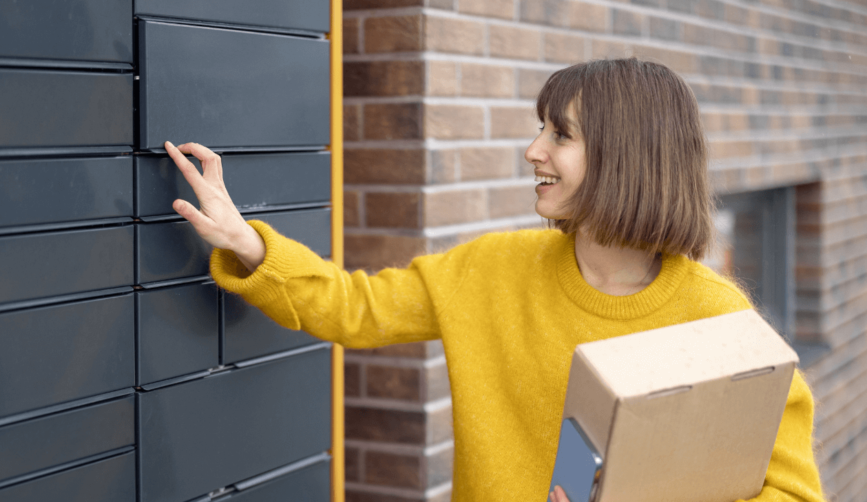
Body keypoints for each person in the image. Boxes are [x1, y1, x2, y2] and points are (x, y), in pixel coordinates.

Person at [163, 58, 826, 502]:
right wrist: (247, 239)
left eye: (559, 134)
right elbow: (352, 308)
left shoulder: (717, 323)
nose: (534, 150)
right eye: (540, 129)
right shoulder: (490, 269)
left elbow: (792, 493)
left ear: (628, 156)